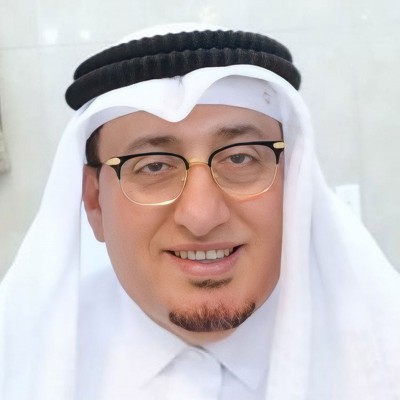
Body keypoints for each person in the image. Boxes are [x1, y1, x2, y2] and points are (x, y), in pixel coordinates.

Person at [1, 23, 399, 400]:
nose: (201, 216)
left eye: (240, 158)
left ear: (295, 184)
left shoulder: (384, 350)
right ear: (94, 202)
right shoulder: (21, 366)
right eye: (153, 166)